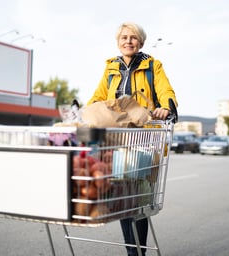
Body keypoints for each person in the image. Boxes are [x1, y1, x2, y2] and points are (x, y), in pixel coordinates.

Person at [87, 22, 178, 256]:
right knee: (122, 199)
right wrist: (84, 113)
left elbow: (166, 91)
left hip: (144, 140)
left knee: (138, 200)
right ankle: (133, 253)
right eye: (124, 37)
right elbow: (97, 98)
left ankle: (138, 253)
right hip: (117, 141)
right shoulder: (111, 68)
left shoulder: (152, 66)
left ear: (141, 42)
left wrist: (165, 108)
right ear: (118, 41)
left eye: (133, 38)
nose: (128, 41)